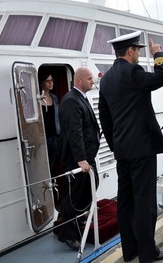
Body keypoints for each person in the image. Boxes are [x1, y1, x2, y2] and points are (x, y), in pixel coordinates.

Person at [98, 31, 163, 262]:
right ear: (130, 51)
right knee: (145, 202)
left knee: (126, 201)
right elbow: (162, 77)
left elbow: (105, 117)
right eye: (138, 51)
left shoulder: (107, 78)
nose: (139, 54)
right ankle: (148, 253)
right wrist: (159, 54)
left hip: (122, 148)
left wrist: (115, 144)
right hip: (142, 148)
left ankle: (130, 251)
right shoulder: (133, 71)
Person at [57, 67, 100, 251]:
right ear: (79, 81)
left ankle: (77, 220)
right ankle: (67, 234)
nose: (93, 81)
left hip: (86, 157)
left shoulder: (81, 97)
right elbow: (74, 133)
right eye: (89, 79)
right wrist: (81, 159)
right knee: (74, 197)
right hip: (77, 159)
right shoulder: (70, 101)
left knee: (90, 187)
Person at [39, 71, 60, 172]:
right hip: (42, 139)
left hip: (54, 138)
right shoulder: (37, 99)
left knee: (52, 167)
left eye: (51, 80)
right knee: (43, 168)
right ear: (41, 83)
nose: (50, 83)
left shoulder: (54, 98)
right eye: (47, 81)